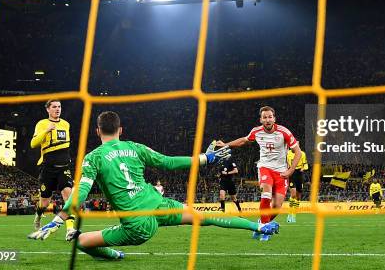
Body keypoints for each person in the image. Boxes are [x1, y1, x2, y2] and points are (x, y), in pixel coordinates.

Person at [28, 111, 279, 260]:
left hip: (136, 225)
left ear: (97, 132)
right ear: (120, 130)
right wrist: (206, 158)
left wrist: (59, 219)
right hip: (158, 205)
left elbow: (81, 193)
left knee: (81, 242)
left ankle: (115, 254)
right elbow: (168, 162)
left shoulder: (93, 158)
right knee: (203, 217)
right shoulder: (135, 147)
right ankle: (259, 225)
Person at [216, 106, 302, 241]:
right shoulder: (256, 132)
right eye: (265, 117)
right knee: (266, 195)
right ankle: (264, 231)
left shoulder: (284, 132)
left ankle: (260, 224)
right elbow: (243, 140)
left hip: (281, 172)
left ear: (274, 118)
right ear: (261, 120)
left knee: (277, 206)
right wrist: (226, 145)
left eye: (270, 117)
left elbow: (298, 152)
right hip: (265, 168)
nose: (267, 119)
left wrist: (290, 170)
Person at [31, 100, 75, 239]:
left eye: (59, 106)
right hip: (48, 167)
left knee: (68, 197)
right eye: (54, 107)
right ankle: (38, 215)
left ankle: (70, 230)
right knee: (45, 202)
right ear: (48, 110)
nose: (57, 109)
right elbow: (33, 144)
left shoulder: (66, 124)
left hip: (64, 167)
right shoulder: (42, 124)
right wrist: (46, 130)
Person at [286, 146, 308, 223]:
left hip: (300, 174)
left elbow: (305, 164)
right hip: (292, 172)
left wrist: (303, 168)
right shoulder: (287, 153)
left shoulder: (302, 154)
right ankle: (290, 213)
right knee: (293, 194)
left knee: (298, 196)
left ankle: (294, 214)